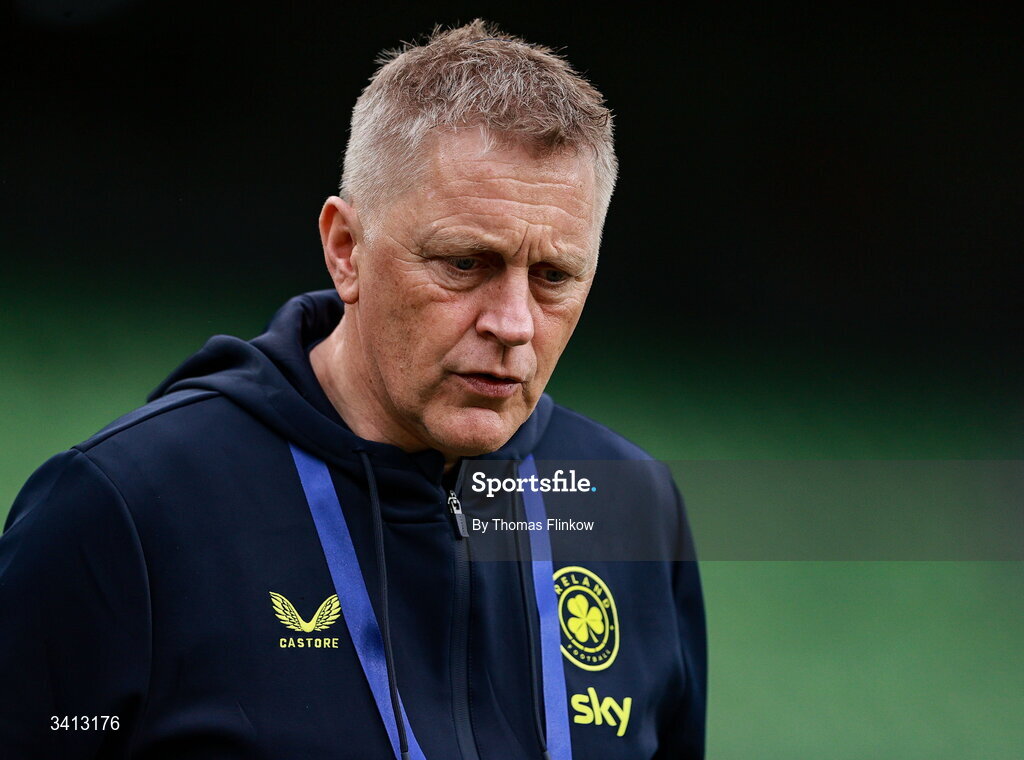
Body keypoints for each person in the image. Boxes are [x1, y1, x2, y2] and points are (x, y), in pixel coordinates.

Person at [0, 20, 706, 760]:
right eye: (465, 262)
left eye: (554, 277)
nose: (514, 324)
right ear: (346, 251)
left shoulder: (631, 506)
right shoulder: (124, 512)